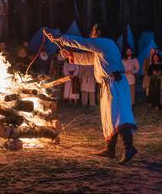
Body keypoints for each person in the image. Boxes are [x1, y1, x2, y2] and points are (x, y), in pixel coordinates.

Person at [44, 25, 137, 164]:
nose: (91, 35)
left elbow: (83, 43)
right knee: (108, 117)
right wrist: (70, 55)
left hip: (115, 83)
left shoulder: (105, 43)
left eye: (93, 32)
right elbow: (89, 59)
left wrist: (61, 39)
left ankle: (129, 148)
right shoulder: (102, 49)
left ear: (98, 32)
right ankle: (110, 149)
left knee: (119, 115)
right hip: (109, 84)